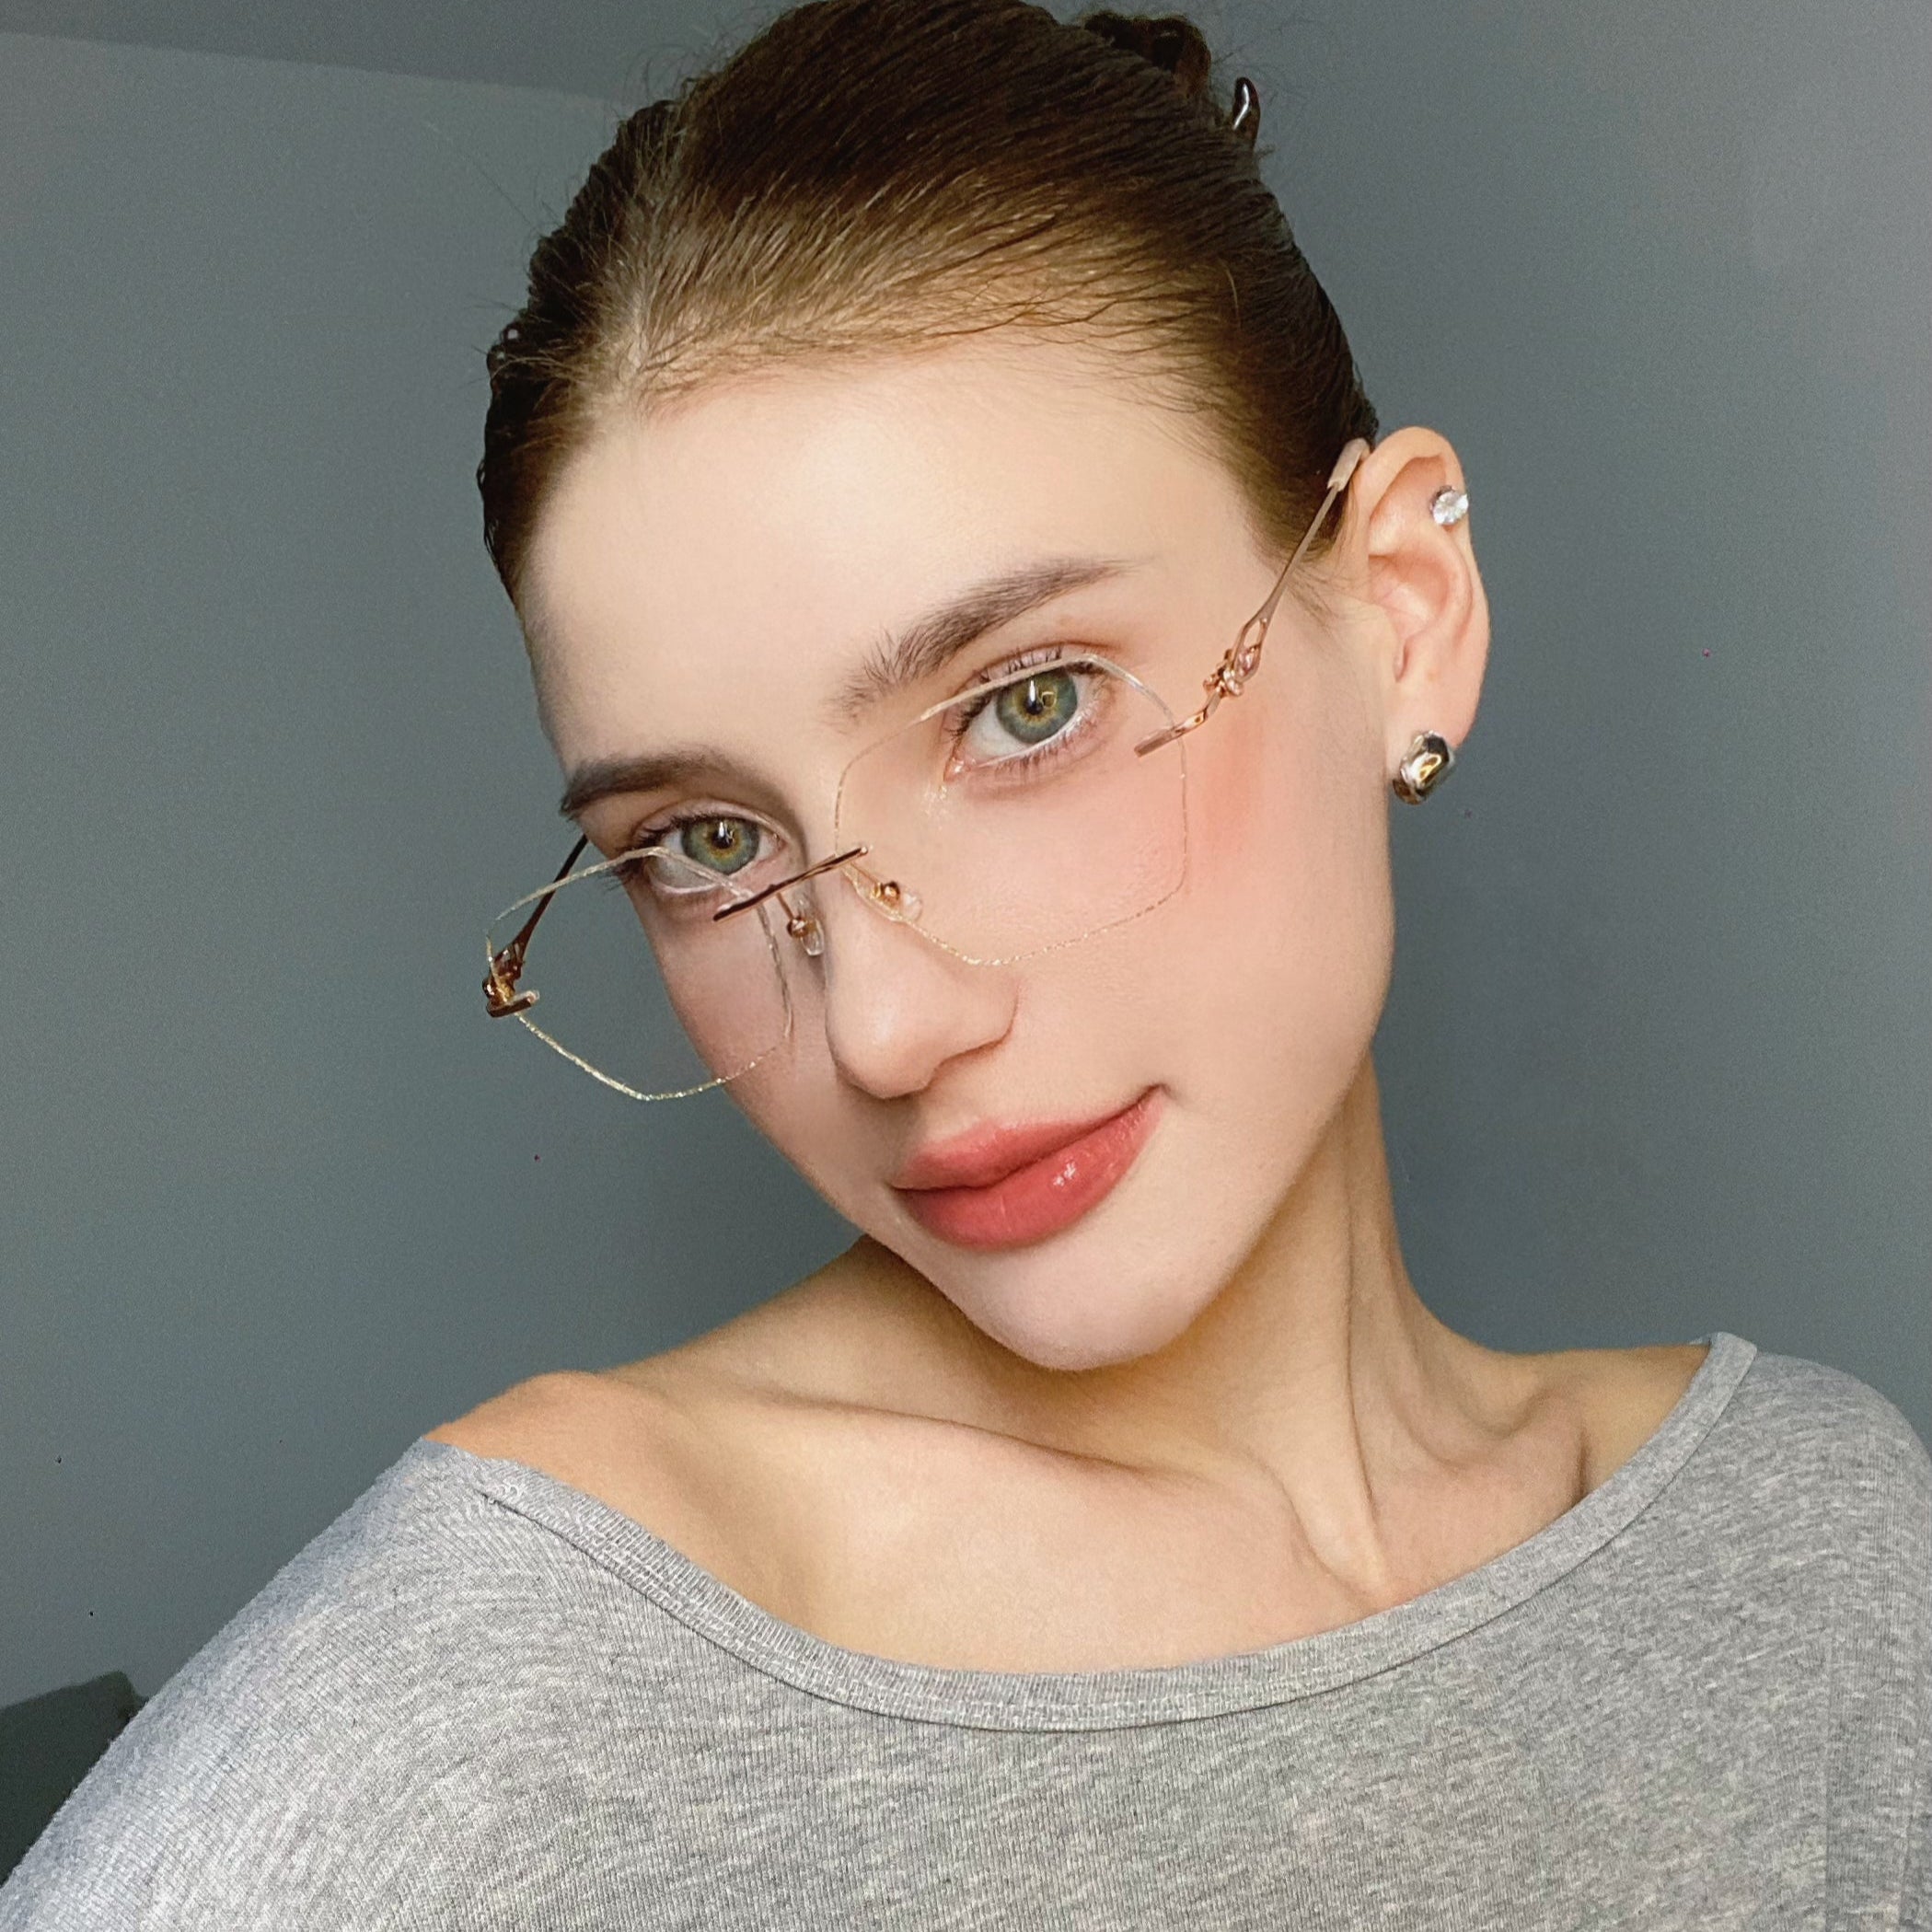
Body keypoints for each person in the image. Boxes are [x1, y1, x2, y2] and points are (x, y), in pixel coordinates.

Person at [4, 2, 1926, 1926]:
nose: (883, 1025)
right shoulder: (491, 1690)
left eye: (1027, 707)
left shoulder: (1814, 1539)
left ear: (1404, 616)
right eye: (707, 843)